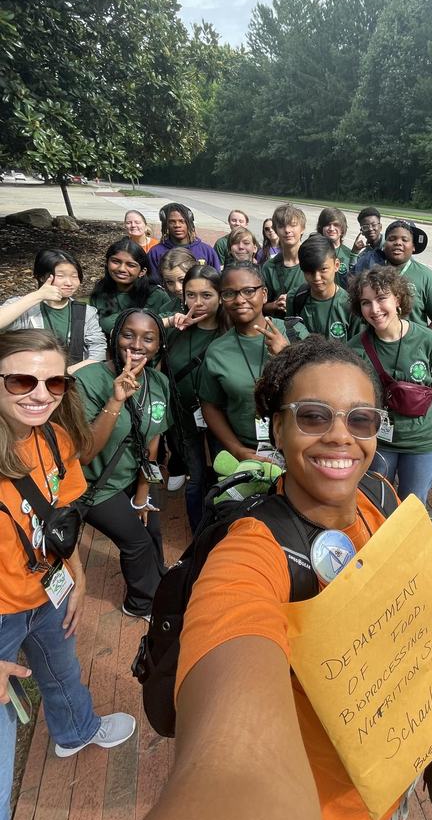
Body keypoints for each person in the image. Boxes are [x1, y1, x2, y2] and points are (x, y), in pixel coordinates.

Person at [140, 337, 432, 820]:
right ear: (277, 429)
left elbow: (421, 608)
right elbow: (230, 765)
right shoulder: (250, 553)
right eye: (313, 416)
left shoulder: (380, 494)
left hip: (392, 783)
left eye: (361, 419)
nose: (340, 436)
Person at [0, 330, 135, 820]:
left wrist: (76, 575)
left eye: (53, 382)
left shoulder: (54, 441)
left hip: (44, 586)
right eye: (20, 380)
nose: (39, 394)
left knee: (60, 666)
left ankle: (75, 731)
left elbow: (57, 516)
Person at [75, 309, 172, 619]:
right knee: (137, 541)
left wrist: (143, 494)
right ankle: (141, 604)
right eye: (128, 335)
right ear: (115, 337)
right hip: (93, 484)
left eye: (148, 338)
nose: (137, 345)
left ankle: (161, 585)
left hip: (133, 474)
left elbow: (154, 439)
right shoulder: (88, 380)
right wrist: (116, 400)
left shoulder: (158, 382)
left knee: (152, 528)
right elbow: (85, 454)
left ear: (160, 345)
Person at [349, 266, 432, 503]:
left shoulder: (426, 340)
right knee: (377, 501)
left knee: (413, 504)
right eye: (366, 302)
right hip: (379, 440)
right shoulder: (355, 348)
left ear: (397, 298)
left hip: (421, 441)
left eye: (381, 298)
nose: (374, 309)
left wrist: (414, 401)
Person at [199, 263, 288, 462]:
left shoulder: (294, 334)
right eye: (229, 293)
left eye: (248, 291)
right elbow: (210, 405)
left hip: (295, 446)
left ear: (264, 294)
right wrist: (236, 449)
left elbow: (316, 392)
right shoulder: (217, 351)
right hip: (247, 452)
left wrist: (285, 355)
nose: (240, 300)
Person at [164, 265, 224, 532]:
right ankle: (198, 533)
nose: (197, 303)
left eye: (206, 295)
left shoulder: (230, 331)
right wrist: (169, 324)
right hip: (184, 418)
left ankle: (223, 527)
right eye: (191, 295)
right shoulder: (174, 330)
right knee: (196, 477)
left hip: (222, 419)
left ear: (221, 296)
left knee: (224, 471)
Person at [0, 248, 106, 365]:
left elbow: (98, 351)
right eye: (60, 276)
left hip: (72, 376)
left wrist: (71, 373)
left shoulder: (86, 312)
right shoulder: (23, 306)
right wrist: (38, 296)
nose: (69, 283)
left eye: (74, 276)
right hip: (28, 374)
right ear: (41, 276)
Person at [382, 220, 432, 335]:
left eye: (404, 240)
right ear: (384, 245)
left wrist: (423, 345)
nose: (398, 243)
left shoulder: (426, 277)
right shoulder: (373, 273)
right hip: (377, 347)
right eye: (392, 239)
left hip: (411, 348)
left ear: (413, 246)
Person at [89, 238, 172, 336]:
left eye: (131, 265)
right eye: (116, 261)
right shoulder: (99, 292)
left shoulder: (157, 295)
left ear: (142, 271)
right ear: (107, 263)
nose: (121, 269)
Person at [287, 234, 360, 342]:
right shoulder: (295, 298)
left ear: (336, 265)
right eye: (310, 271)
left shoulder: (351, 306)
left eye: (323, 269)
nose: (317, 278)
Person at [147, 203, 220, 281]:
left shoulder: (206, 251)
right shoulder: (155, 252)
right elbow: (153, 283)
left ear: (189, 223)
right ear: (166, 224)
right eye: (172, 222)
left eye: (182, 221)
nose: (177, 225)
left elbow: (216, 280)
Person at [262, 203, 306, 318]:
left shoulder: (315, 262)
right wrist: (276, 304)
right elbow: (261, 306)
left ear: (303, 228)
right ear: (276, 230)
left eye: (293, 225)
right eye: (281, 226)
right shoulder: (269, 267)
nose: (287, 230)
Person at [316, 206, 352, 286]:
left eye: (336, 225)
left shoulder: (349, 254)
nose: (332, 228)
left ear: (342, 228)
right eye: (327, 225)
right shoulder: (314, 251)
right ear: (321, 227)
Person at [159, 247, 198, 312]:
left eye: (182, 280)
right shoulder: (166, 310)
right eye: (170, 282)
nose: (177, 288)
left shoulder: (212, 305)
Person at [352, 207, 384, 275]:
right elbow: (354, 276)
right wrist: (354, 253)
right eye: (365, 227)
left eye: (374, 225)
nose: (370, 229)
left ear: (380, 227)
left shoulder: (389, 246)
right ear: (362, 231)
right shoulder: (364, 255)